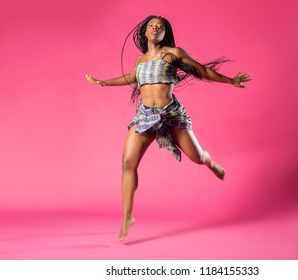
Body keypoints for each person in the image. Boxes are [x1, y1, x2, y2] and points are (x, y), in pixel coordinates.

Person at [85, 15, 252, 241]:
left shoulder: (174, 53)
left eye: (160, 27)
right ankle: (127, 215)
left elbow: (202, 71)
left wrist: (230, 80)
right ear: (145, 32)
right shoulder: (140, 60)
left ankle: (210, 162)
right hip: (145, 115)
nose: (155, 28)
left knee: (197, 157)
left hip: (171, 114)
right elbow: (131, 77)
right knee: (127, 163)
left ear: (165, 32)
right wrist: (105, 82)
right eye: (152, 26)